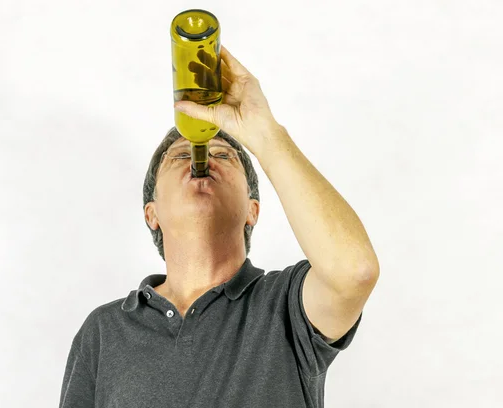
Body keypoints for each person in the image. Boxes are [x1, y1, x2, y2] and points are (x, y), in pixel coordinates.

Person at [59, 45, 380, 408]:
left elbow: (355, 271)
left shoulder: (287, 306)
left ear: (252, 209)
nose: (203, 156)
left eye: (225, 155)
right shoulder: (103, 332)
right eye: (180, 155)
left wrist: (265, 133)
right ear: (152, 213)